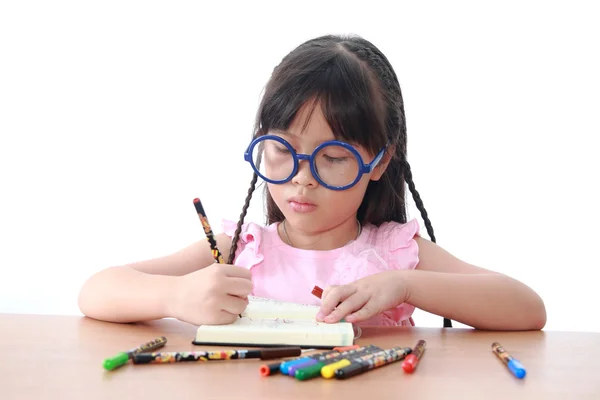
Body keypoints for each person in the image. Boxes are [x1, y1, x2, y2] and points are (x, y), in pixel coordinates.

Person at [78, 34, 546, 331]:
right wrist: (177, 296)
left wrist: (406, 285)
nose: (302, 179)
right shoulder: (239, 249)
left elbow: (526, 309)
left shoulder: (395, 253)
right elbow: (96, 290)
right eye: (282, 151)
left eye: (334, 157)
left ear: (381, 161)